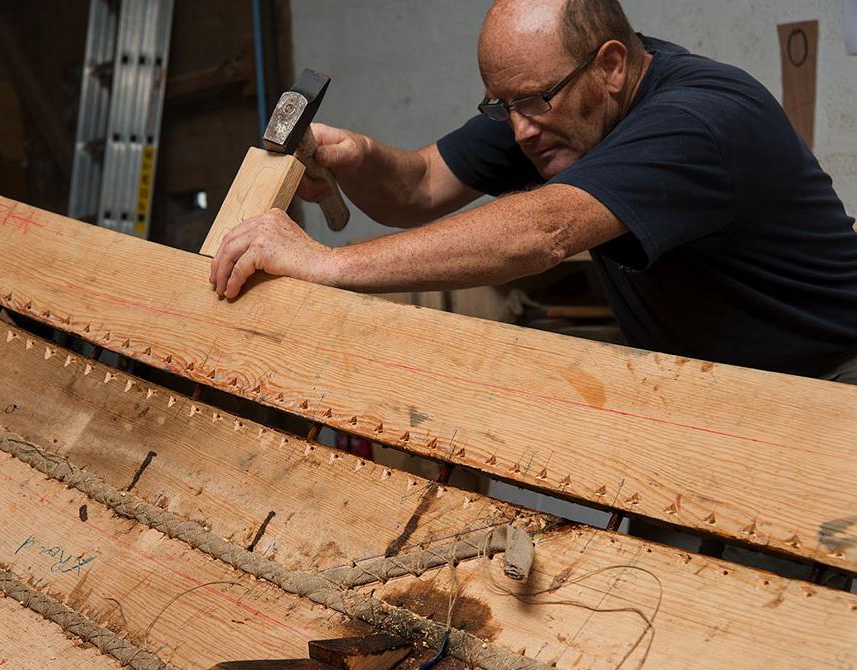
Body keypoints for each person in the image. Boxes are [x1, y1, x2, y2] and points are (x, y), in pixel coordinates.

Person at [209, 0, 857, 383]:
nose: (519, 129)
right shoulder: (552, 108)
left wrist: (325, 262)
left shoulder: (699, 121)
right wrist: (358, 157)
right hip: (718, 387)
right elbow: (421, 184)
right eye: (503, 103)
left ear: (609, 66)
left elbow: (544, 231)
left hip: (830, 385)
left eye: (533, 102)